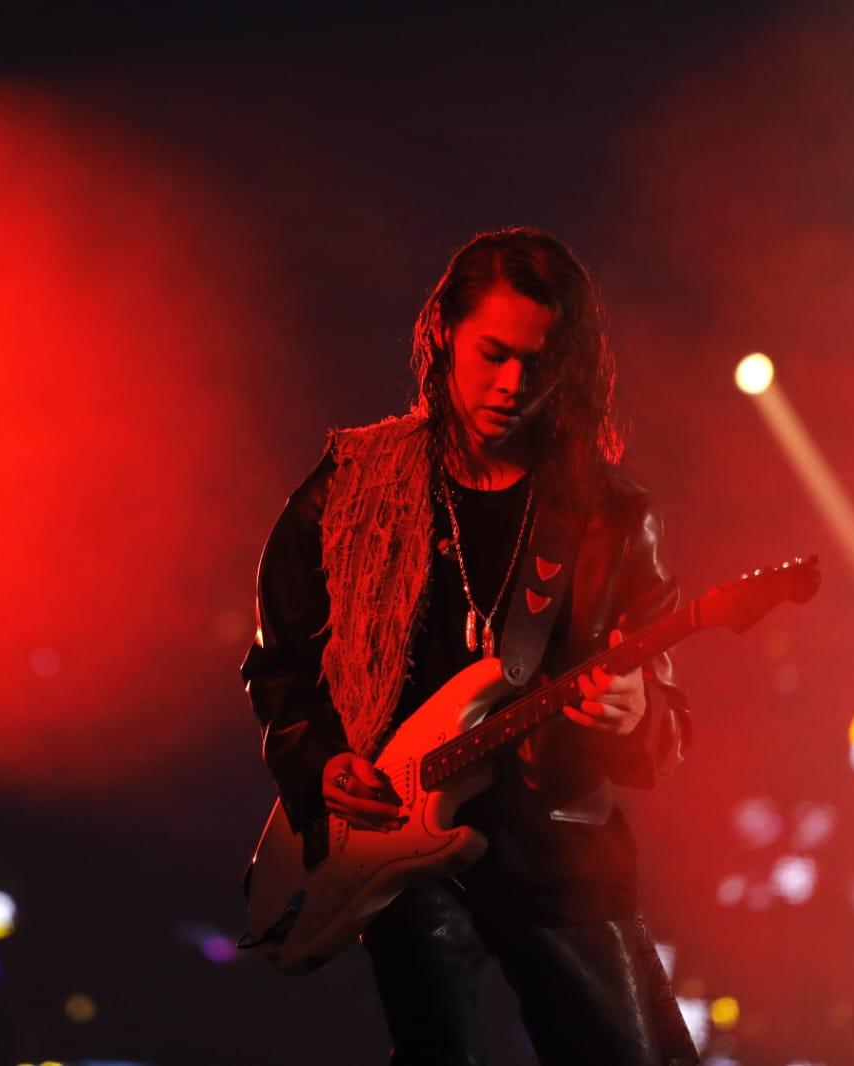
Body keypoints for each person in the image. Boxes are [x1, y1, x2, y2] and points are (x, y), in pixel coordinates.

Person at [241, 227, 700, 1065]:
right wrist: (322, 763)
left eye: (538, 361)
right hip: (402, 848)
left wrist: (636, 714)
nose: (513, 383)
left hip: (559, 853)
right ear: (444, 334)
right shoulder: (351, 485)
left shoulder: (613, 517)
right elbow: (279, 667)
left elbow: (667, 730)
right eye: (493, 354)